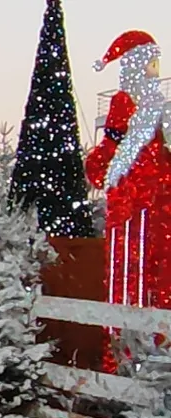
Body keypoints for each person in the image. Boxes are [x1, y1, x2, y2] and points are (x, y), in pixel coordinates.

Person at [85, 30, 171, 371]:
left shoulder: (154, 108)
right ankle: (124, 359)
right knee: (130, 280)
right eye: (151, 64)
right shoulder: (125, 103)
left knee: (154, 277)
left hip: (157, 202)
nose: (155, 71)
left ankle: (149, 353)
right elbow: (113, 150)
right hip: (136, 204)